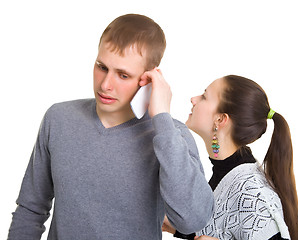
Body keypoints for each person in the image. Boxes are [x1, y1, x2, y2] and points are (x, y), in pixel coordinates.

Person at [7, 14, 214, 240]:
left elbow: (193, 219)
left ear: (149, 78)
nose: (105, 85)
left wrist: (162, 118)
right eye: (101, 67)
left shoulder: (170, 135)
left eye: (123, 75)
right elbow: (30, 210)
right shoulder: (58, 119)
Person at [162, 75, 298, 239]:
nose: (193, 99)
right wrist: (181, 230)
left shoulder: (252, 193)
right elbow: (223, 227)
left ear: (220, 119)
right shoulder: (225, 172)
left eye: (204, 96)